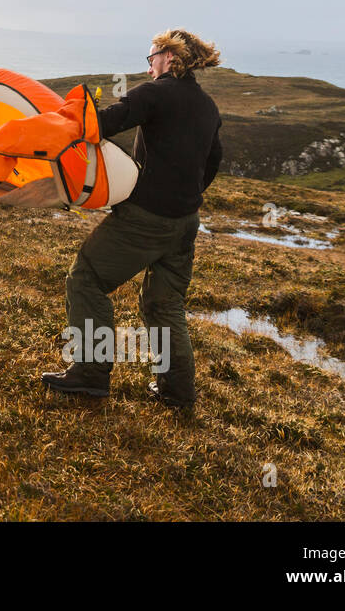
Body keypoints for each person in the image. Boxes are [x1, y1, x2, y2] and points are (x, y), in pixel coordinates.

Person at [41, 28, 223, 409]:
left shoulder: (153, 93)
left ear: (169, 58)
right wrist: (183, 196)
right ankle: (176, 392)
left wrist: (59, 121)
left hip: (146, 219)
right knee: (164, 304)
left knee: (86, 279)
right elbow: (213, 161)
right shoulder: (207, 106)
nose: (150, 63)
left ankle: (90, 374)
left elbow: (102, 125)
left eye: (152, 56)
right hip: (186, 222)